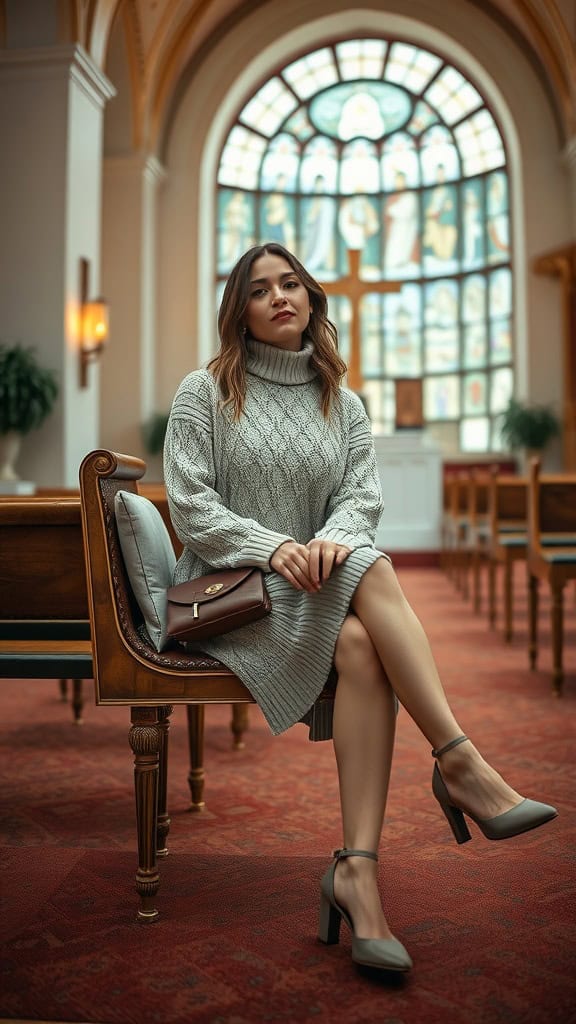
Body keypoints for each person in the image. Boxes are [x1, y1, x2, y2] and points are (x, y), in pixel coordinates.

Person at [163, 242, 557, 976]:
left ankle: (359, 875)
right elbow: (190, 505)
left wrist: (327, 545)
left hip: (313, 581)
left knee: (361, 645)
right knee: (371, 569)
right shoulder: (205, 390)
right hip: (236, 594)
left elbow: (361, 501)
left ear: (311, 299)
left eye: (290, 283)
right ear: (239, 312)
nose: (279, 296)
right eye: (258, 289)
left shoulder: (343, 404)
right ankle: (458, 762)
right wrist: (278, 546)